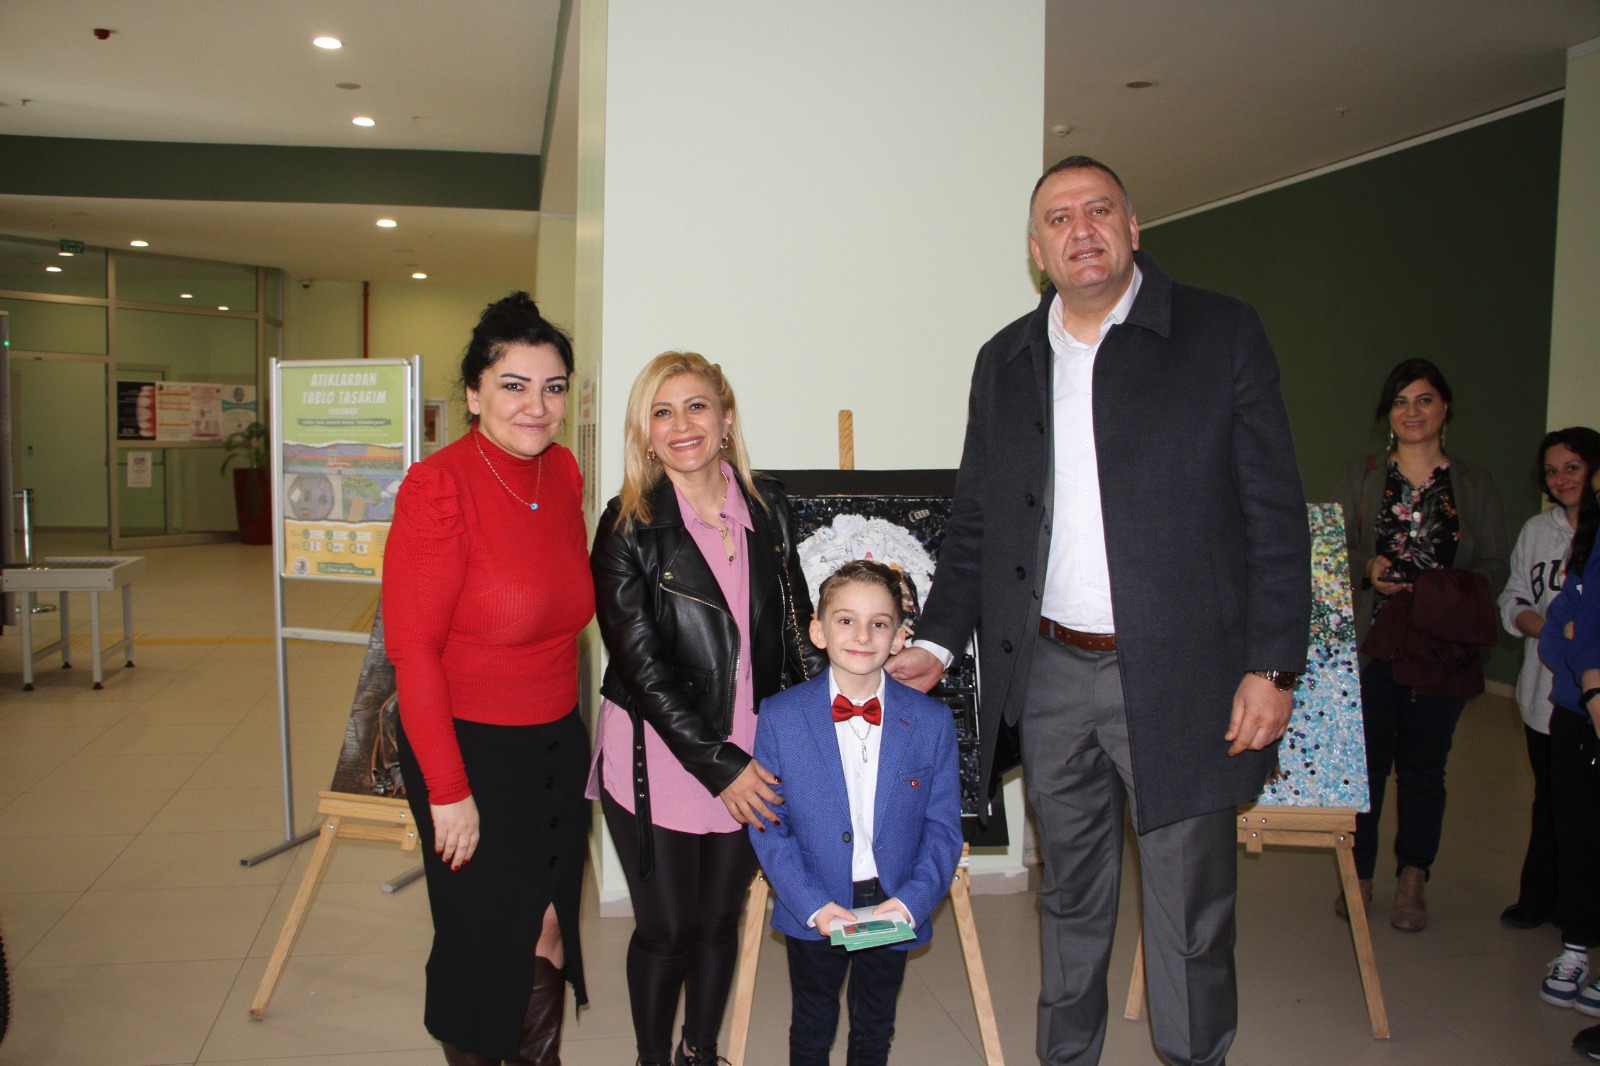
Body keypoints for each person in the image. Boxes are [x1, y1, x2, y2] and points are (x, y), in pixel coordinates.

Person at [888, 156, 1311, 1066]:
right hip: (1048, 675)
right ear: (1036, 250)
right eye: (1059, 218)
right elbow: (978, 521)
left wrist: (1273, 665)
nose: (1081, 230)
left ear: (1132, 226)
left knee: (1190, 910)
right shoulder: (1005, 360)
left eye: (1099, 210)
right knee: (1069, 898)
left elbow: (1275, 515)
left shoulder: (1220, 332)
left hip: (1186, 677)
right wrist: (937, 639)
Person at [588, 352, 825, 1066]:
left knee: (721, 919)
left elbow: (795, 628)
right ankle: (652, 1058)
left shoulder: (768, 507)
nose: (681, 424)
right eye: (661, 412)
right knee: (667, 928)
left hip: (754, 744)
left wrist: (825, 725)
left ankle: (701, 1050)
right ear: (645, 433)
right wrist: (722, 766)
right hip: (659, 750)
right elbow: (643, 670)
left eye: (696, 406)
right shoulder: (626, 526)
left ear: (725, 419)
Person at [383, 293, 593, 1066]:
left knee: (549, 922)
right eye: (514, 385)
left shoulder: (562, 472)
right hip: (468, 748)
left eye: (553, 387)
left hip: (555, 743)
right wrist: (448, 790)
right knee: (481, 939)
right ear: (473, 395)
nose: (537, 405)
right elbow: (413, 652)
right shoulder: (437, 487)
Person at [750, 560, 962, 1066]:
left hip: (893, 900)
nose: (863, 635)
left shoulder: (932, 722)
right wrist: (812, 904)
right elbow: (770, 825)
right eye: (846, 620)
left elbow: (943, 829)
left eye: (879, 623)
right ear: (818, 632)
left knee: (875, 1026)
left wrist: (911, 902)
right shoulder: (780, 716)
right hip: (816, 901)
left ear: (900, 637)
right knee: (811, 1025)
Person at [1329, 359, 1508, 932]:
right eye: (1401, 401)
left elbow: (1494, 565)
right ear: (1388, 413)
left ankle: (1413, 877)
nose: (1412, 411)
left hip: (1441, 648)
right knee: (1366, 768)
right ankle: (1358, 876)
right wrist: (1367, 569)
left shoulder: (1474, 483)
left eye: (1424, 399)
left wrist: (1441, 592)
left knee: (1425, 767)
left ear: (1445, 408)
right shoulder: (1360, 476)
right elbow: (1329, 550)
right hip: (1372, 644)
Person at [1498, 428, 1600, 931]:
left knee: (1584, 806)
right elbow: (1513, 597)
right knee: (1552, 797)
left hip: (1589, 696)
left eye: (1572, 468)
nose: (1561, 479)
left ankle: (1581, 909)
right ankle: (1541, 896)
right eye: (1552, 471)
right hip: (1544, 690)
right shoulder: (1538, 530)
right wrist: (1549, 629)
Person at [1537, 458, 1600, 1023]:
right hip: (1576, 712)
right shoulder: (1589, 550)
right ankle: (1576, 947)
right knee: (1577, 834)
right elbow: (1559, 635)